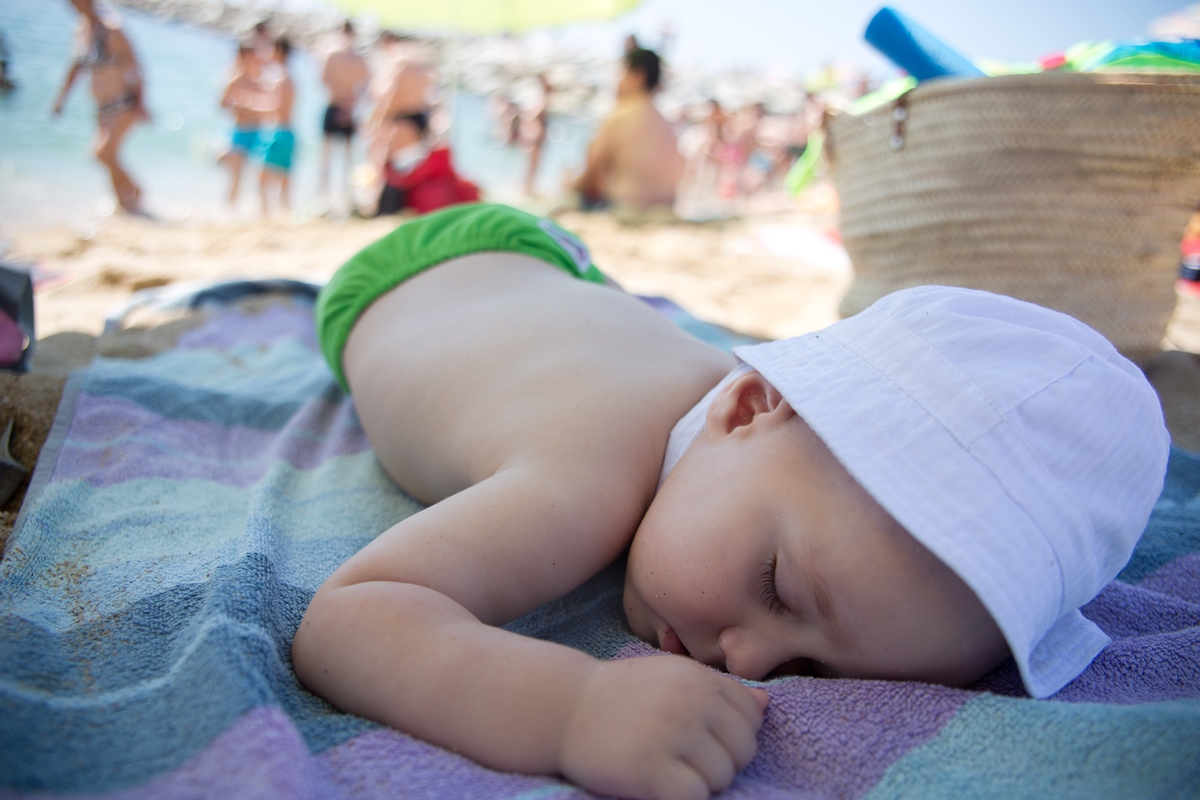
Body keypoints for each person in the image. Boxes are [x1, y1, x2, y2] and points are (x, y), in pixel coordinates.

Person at [292, 202, 1170, 800]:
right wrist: (571, 709)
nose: (747, 661)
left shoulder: (761, 458)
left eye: (811, 671)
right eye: (776, 588)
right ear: (746, 407)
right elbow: (354, 618)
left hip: (559, 296)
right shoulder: (583, 473)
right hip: (415, 269)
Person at [52, 0, 148, 215]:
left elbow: (136, 66)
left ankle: (136, 191)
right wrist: (61, 98)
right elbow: (76, 67)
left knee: (103, 153)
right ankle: (123, 204)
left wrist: (142, 103)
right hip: (102, 106)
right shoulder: (82, 30)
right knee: (109, 156)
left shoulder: (112, 30)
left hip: (123, 102)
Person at [573, 47, 684, 212]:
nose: (617, 81)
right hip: (667, 206)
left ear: (637, 76)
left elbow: (591, 179)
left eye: (621, 74)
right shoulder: (667, 123)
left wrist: (571, 185)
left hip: (627, 205)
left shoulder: (620, 115)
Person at [320, 21, 369, 198]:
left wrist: (347, 104)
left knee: (346, 155)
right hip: (341, 106)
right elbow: (326, 80)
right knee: (328, 154)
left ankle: (347, 194)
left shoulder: (351, 58)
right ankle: (328, 194)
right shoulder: (338, 56)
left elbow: (364, 85)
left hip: (344, 107)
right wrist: (347, 103)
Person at [218, 44, 264, 208]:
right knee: (237, 172)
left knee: (257, 173)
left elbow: (268, 108)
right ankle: (231, 207)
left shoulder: (259, 81)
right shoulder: (234, 81)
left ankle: (257, 208)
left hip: (257, 132)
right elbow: (222, 105)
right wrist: (237, 105)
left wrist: (252, 105)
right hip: (239, 130)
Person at [258, 37, 295, 216]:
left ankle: (265, 215)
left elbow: (275, 106)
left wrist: (247, 103)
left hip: (279, 133)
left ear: (279, 51)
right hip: (288, 133)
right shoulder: (289, 78)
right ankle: (285, 213)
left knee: (262, 177)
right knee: (284, 179)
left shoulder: (280, 79)